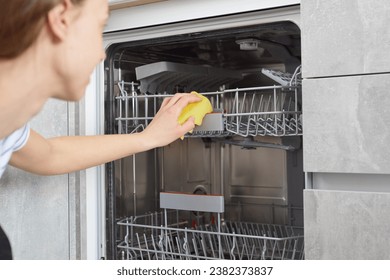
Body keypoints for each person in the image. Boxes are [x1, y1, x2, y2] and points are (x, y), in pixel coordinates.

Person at [0, 0, 200, 259]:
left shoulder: (8, 127)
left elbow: (50, 154)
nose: (102, 54)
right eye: (99, 26)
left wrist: (147, 138)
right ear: (61, 20)